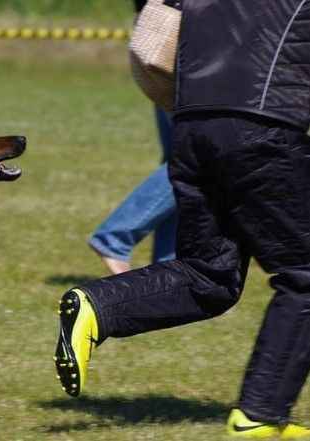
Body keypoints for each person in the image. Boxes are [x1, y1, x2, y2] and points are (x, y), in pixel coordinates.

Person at [54, 0, 310, 438]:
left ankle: (98, 307)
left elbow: (148, 40)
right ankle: (260, 415)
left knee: (208, 274)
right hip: (263, 125)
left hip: (192, 126)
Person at [88, 108, 176, 274]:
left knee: (182, 157)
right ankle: (115, 238)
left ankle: (166, 270)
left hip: (179, 84)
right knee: (194, 160)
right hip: (203, 87)